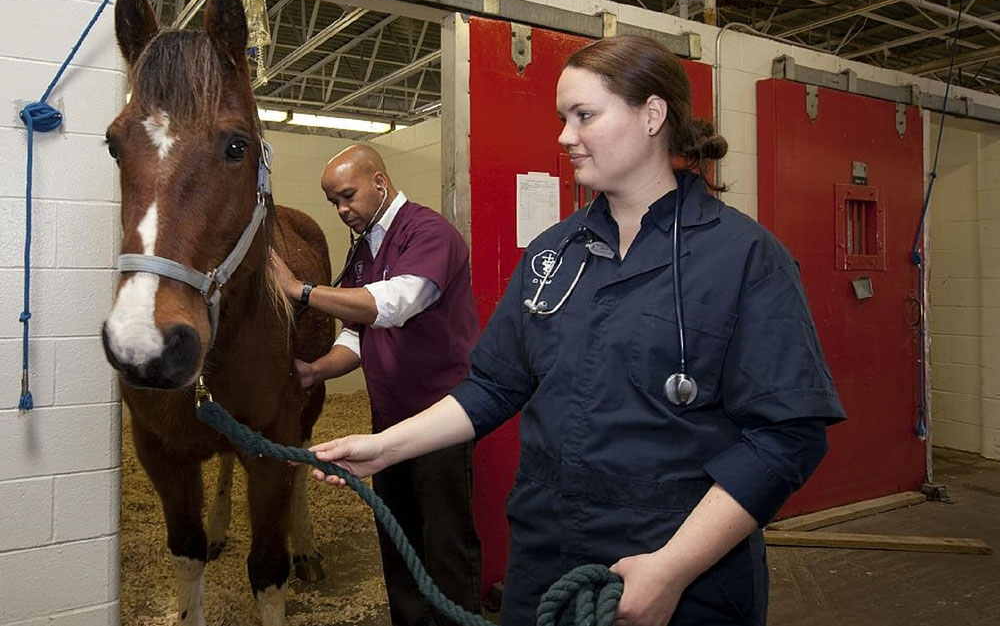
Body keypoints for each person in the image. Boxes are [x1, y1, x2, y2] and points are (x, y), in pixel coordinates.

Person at [306, 36, 846, 626]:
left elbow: (785, 438)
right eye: (564, 118)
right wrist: (382, 449)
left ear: (652, 115)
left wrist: (671, 569)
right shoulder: (551, 255)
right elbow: (491, 387)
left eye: (584, 115)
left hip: (680, 567)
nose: (564, 137)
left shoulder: (744, 257)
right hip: (548, 559)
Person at [270, 144, 482, 626]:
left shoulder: (429, 232)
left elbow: (395, 303)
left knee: (445, 542)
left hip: (440, 416)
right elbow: (359, 335)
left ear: (380, 183)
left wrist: (301, 291)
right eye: (333, 203)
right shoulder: (365, 246)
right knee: (397, 534)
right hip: (389, 420)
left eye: (348, 196)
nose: (343, 210)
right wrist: (315, 370)